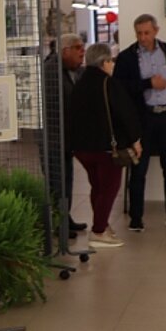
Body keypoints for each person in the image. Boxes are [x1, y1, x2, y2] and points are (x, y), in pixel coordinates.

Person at [112, 14, 166, 231]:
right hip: (143, 119)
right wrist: (148, 83)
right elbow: (119, 88)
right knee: (139, 170)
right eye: (139, 33)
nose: (143, 38)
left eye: (147, 33)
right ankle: (136, 218)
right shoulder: (127, 57)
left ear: (156, 31)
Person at [66, 43, 142, 247]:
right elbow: (125, 114)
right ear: (104, 62)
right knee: (109, 188)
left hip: (82, 149)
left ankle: (102, 224)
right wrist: (135, 139)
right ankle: (98, 232)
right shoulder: (109, 84)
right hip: (106, 148)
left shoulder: (79, 84)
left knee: (97, 187)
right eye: (110, 61)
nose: (112, 65)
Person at [43, 33, 87, 233]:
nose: (82, 51)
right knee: (57, 183)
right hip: (53, 139)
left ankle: (65, 219)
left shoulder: (72, 71)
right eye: (78, 48)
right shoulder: (51, 71)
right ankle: (59, 224)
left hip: (67, 138)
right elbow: (55, 105)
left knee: (67, 180)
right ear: (65, 51)